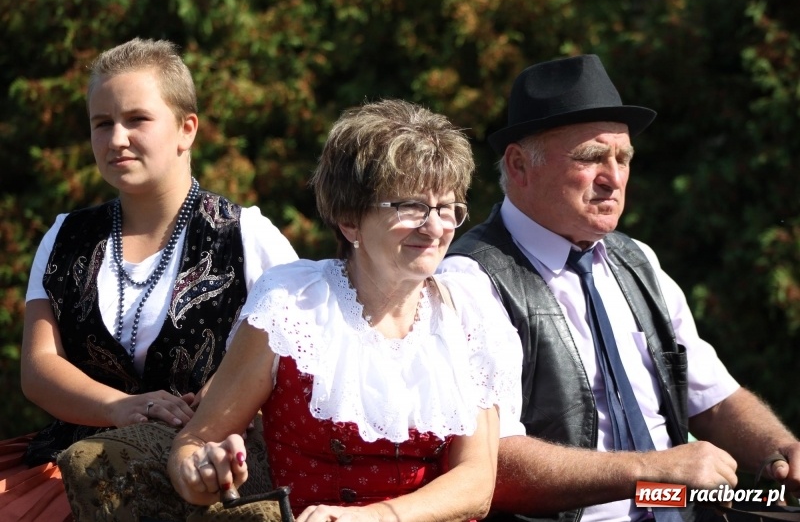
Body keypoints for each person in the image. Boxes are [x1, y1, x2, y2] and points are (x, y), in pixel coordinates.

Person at [439, 54, 800, 522]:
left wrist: (781, 447)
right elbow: (493, 463)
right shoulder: (469, 280)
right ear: (519, 165)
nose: (614, 178)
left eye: (623, 158)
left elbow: (710, 398)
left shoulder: (637, 260)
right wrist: (651, 471)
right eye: (591, 158)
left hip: (683, 511)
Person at [167, 98, 524, 521]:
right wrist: (203, 472)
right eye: (410, 206)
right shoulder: (292, 305)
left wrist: (377, 517)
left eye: (445, 208)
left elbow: (477, 483)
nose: (435, 227)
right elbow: (193, 443)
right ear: (350, 220)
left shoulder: (467, 311)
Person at [0, 37, 298, 522]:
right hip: (73, 462)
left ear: (186, 129)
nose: (116, 138)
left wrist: (227, 395)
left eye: (136, 119)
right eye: (102, 124)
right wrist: (119, 407)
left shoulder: (248, 236)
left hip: (209, 469)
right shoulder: (65, 236)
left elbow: (299, 361)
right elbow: (39, 367)